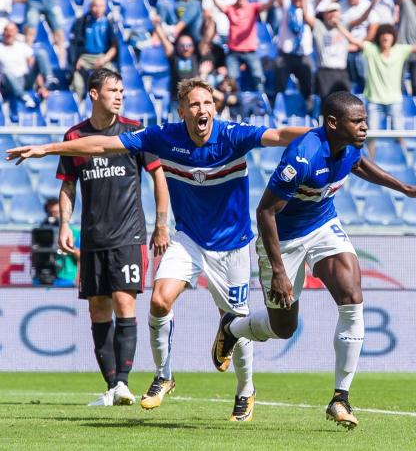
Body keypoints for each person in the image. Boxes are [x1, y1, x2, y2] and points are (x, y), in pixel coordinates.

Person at [7, 78, 314, 421]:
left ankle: (245, 390)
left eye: (208, 103)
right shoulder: (163, 137)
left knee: (236, 323)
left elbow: (279, 135)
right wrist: (47, 149)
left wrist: (323, 136)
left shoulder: (233, 135)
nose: (203, 110)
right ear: (182, 111)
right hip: (190, 240)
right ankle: (164, 375)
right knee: (158, 299)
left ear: (215, 108)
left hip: (233, 246)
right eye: (195, 105)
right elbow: (101, 146)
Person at [214, 91, 416, 429]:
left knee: (352, 294)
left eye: (365, 120)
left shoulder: (349, 144)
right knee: (284, 327)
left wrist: (407, 189)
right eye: (357, 121)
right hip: (284, 238)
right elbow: (265, 212)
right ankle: (233, 327)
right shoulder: (303, 156)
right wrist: (279, 270)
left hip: (323, 225)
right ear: (333, 123)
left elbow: (359, 163)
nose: (364, 127)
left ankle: (340, 398)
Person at [55, 68, 170, 407]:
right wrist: (65, 224)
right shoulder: (75, 137)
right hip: (92, 237)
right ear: (93, 94)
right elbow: (67, 184)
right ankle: (112, 387)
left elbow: (158, 179)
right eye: (112, 90)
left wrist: (161, 224)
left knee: (124, 301)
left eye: (122, 91)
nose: (119, 96)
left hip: (129, 234)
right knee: (98, 310)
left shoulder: (135, 132)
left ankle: (122, 382)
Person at [338, 23, 416, 130]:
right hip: (374, 101)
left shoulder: (400, 50)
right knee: (372, 136)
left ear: (393, 37)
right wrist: (338, 25)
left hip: (394, 101)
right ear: (379, 37)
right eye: (383, 34)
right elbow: (353, 40)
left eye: (388, 34)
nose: (386, 36)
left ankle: (402, 147)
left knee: (399, 134)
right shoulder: (371, 50)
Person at [272, 0, 316, 105]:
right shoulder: (287, 5)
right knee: (279, 85)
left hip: (303, 55)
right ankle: (277, 109)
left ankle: (309, 109)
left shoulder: (310, 6)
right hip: (286, 54)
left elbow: (311, 23)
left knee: (308, 86)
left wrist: (304, 5)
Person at [214, 0, 266, 93]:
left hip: (250, 51)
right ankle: (235, 103)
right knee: (232, 79)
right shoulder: (231, 8)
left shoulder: (253, 7)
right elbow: (219, 5)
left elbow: (269, 4)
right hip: (234, 51)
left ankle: (262, 101)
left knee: (258, 77)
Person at [69, 0, 119, 99]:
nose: (98, 9)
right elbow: (74, 45)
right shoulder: (81, 22)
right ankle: (80, 107)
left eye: (100, 6)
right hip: (85, 57)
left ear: (104, 7)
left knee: (112, 80)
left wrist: (104, 59)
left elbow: (114, 47)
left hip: (102, 57)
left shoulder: (108, 23)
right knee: (78, 84)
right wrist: (77, 60)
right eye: (95, 6)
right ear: (90, 7)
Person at [0, 20, 48, 118]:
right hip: (7, 83)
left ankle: (49, 78)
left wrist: (41, 86)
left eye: (11, 31)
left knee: (40, 54)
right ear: (3, 32)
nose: (9, 34)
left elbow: (32, 67)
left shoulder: (22, 47)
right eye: (7, 31)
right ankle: (23, 96)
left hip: (25, 80)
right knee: (7, 73)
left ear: (16, 32)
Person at [314, 6, 352, 100]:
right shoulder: (319, 26)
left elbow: (361, 19)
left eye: (335, 11)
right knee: (327, 102)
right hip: (325, 71)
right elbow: (307, 16)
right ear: (324, 15)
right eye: (329, 12)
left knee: (344, 101)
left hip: (342, 71)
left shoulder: (344, 25)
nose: (332, 15)